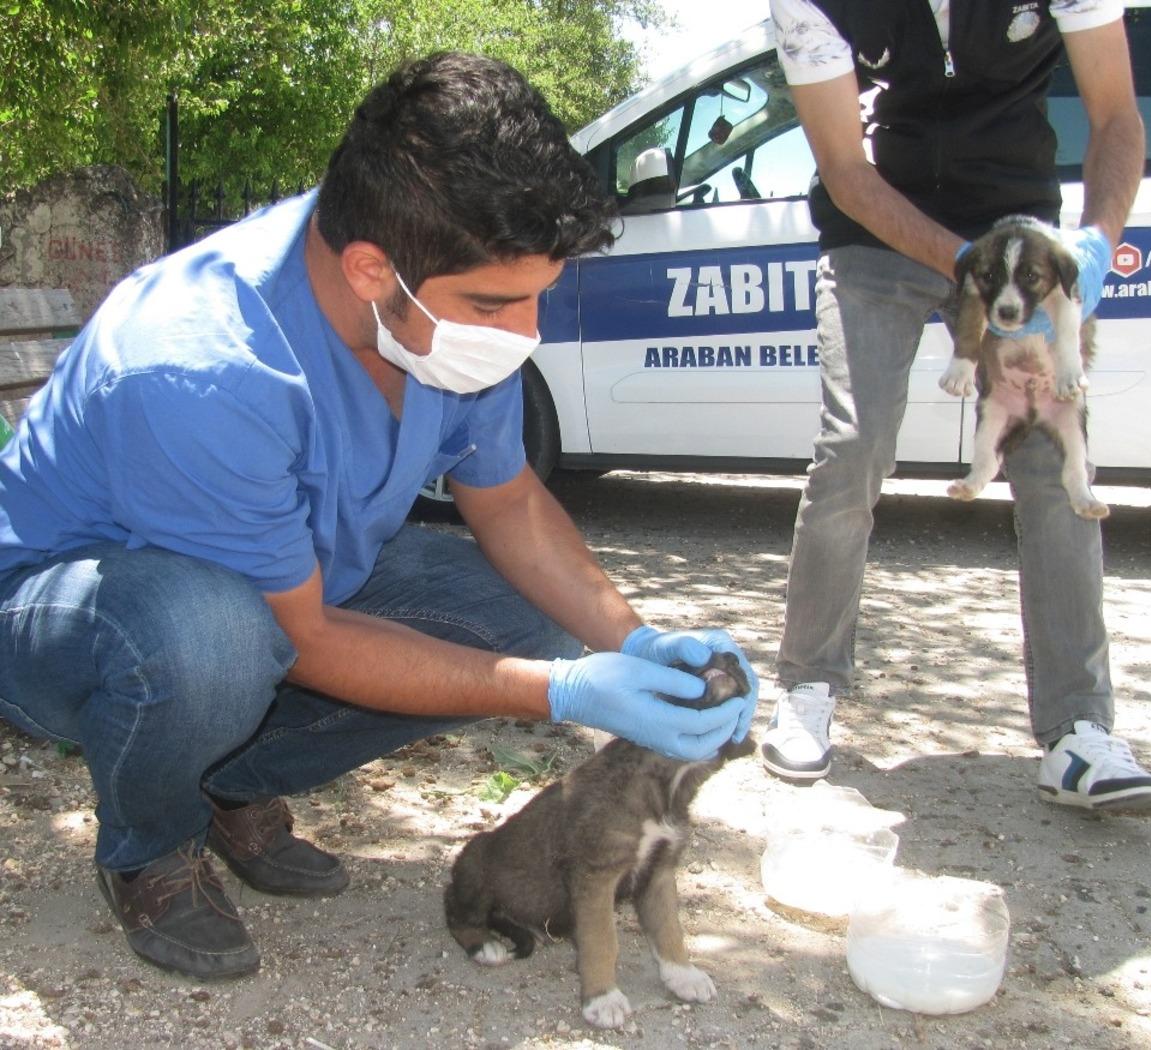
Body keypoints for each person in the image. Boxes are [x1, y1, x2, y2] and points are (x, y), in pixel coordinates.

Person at [0, 52, 758, 980]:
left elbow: (511, 501)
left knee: (526, 618)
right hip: (68, 612)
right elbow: (304, 636)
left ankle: (226, 780)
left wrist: (634, 644)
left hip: (279, 587)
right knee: (209, 639)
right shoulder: (202, 363)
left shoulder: (438, 323)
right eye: (496, 303)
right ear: (371, 268)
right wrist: (559, 690)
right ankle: (149, 844)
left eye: (536, 297)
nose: (525, 333)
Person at [760, 0, 1151, 817]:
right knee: (854, 446)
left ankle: (1079, 732)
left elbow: (1118, 115)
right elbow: (845, 167)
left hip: (1017, 231)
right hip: (875, 232)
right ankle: (808, 687)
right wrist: (965, 268)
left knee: (1053, 455)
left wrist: (1093, 238)